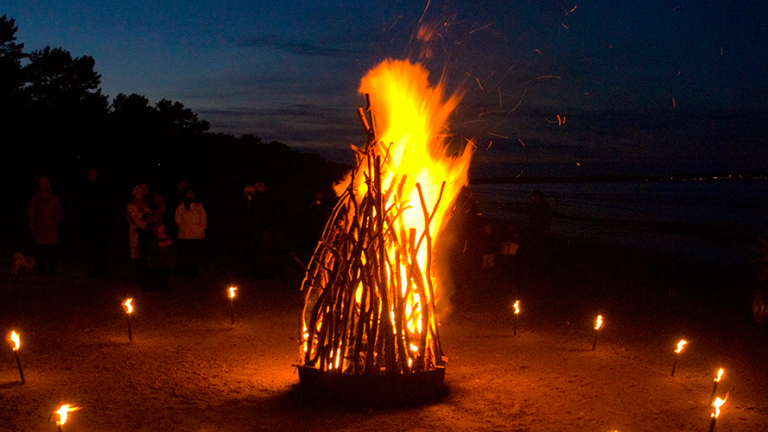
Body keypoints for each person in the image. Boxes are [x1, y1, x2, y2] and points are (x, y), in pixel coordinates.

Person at [28, 176, 62, 275]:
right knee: (40, 252)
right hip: (39, 228)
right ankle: (41, 270)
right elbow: (31, 211)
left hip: (51, 228)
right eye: (40, 183)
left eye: (43, 183)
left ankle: (53, 271)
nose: (42, 185)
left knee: (52, 251)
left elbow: (58, 212)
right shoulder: (36, 198)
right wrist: (33, 225)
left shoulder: (53, 198)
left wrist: (54, 222)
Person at [81, 169, 111, 277]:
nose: (91, 176)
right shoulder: (85, 188)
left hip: (101, 223)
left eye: (93, 174)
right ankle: (97, 269)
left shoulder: (102, 188)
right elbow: (84, 206)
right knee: (93, 247)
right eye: (89, 174)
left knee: (102, 247)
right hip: (90, 223)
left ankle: (104, 271)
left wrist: (106, 220)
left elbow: (107, 205)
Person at [174, 189, 207, 277]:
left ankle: (194, 272)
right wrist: (181, 227)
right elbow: (177, 218)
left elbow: (203, 217)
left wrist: (202, 228)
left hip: (197, 234)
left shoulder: (199, 205)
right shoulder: (181, 206)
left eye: (192, 193)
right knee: (185, 255)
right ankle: (185, 272)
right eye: (188, 193)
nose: (190, 195)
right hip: (185, 234)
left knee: (195, 254)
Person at [126, 185, 150, 282]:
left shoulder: (145, 206)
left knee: (144, 253)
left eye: (141, 193)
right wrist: (146, 226)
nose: (139, 195)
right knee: (136, 252)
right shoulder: (130, 206)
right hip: (136, 232)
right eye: (137, 193)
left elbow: (149, 217)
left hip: (146, 234)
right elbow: (135, 219)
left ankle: (145, 275)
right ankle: (137, 276)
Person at [145, 222, 175, 291]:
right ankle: (156, 287)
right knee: (158, 272)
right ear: (156, 228)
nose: (161, 228)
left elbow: (172, 247)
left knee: (166, 272)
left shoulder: (167, 236)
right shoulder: (153, 237)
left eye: (162, 227)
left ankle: (164, 287)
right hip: (157, 258)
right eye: (159, 227)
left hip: (166, 258)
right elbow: (151, 248)